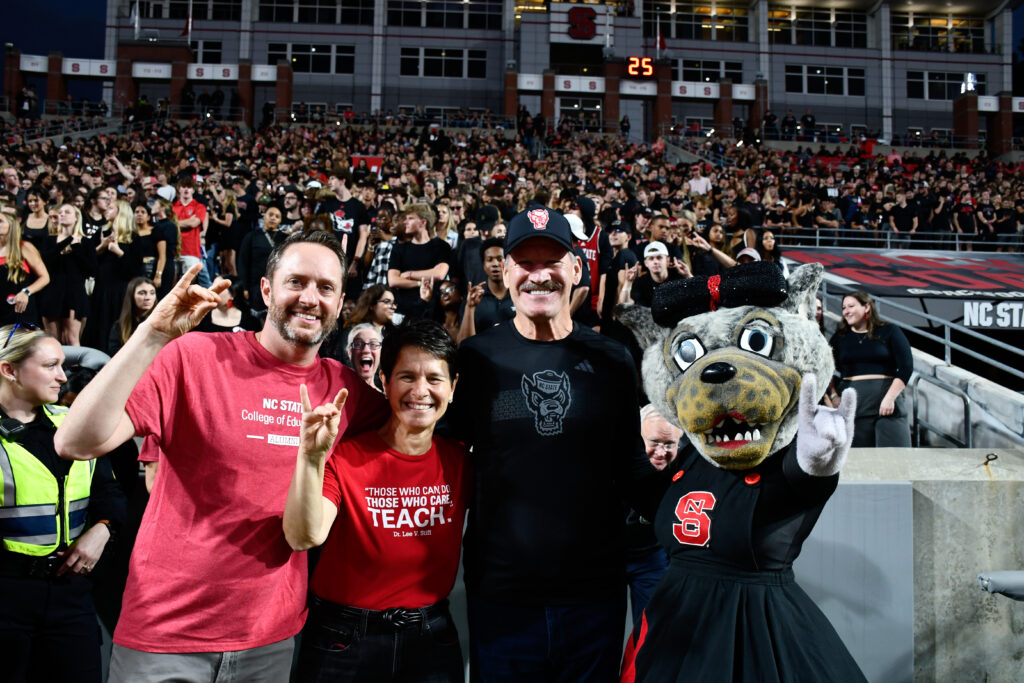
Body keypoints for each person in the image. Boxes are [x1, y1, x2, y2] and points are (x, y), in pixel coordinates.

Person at [54, 231, 389, 682]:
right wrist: (151, 334)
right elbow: (74, 441)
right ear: (267, 289)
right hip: (165, 636)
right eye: (296, 282)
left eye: (325, 287)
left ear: (341, 301)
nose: (310, 298)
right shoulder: (193, 357)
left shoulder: (349, 394)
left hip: (268, 641)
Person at [450, 206, 663, 682]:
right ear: (506, 273)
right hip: (502, 595)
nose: (538, 276)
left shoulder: (612, 359)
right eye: (525, 263)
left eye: (552, 262)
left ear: (576, 269)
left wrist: (708, 487)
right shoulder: (476, 357)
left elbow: (631, 468)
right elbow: (437, 458)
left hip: (593, 595)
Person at [287, 319, 469, 682]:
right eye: (406, 377)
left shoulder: (460, 460)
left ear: (452, 387)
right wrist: (310, 457)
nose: (420, 391)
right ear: (384, 382)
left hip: (432, 637)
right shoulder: (347, 456)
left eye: (434, 379)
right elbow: (305, 536)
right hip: (343, 638)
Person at [0, 324, 125, 683]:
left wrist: (102, 530)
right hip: (7, 597)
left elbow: (109, 495)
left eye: (62, 366)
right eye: (50, 366)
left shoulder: (72, 424)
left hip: (70, 596)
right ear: (10, 371)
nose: (62, 376)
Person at [829, 291, 913, 447]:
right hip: (855, 408)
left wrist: (890, 398)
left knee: (896, 460)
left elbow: (906, 367)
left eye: (851, 306)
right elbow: (826, 371)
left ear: (866, 307)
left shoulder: (890, 331)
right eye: (844, 307)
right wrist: (834, 396)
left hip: (887, 407)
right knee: (860, 462)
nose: (846, 311)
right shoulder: (839, 338)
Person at [625, 406, 682, 631]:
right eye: (654, 443)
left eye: (668, 444)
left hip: (652, 557)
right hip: (607, 557)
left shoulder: (685, 472)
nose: (660, 452)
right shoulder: (615, 465)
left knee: (652, 632)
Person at [0, 212, 49, 328]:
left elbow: (45, 277)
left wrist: (26, 292)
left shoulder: (24, 247)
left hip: (19, 309)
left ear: (11, 226)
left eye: (1, 221)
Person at [108, 277, 156, 355]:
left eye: (152, 293)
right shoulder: (119, 326)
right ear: (131, 296)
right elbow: (114, 353)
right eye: (142, 293)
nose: (148, 297)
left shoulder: (159, 323)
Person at [345, 322, 384, 389]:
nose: (366, 350)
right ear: (350, 353)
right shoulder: (337, 394)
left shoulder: (384, 399)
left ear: (381, 354)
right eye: (358, 344)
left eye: (373, 344)